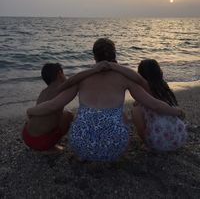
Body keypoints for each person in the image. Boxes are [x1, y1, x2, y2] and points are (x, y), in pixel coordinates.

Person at [26, 38, 185, 161]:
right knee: (122, 116)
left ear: (94, 57)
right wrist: (176, 111)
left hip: (80, 145)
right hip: (115, 149)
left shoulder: (82, 78)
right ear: (115, 55)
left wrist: (31, 111)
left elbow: (53, 105)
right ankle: (106, 150)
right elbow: (154, 104)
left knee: (86, 119)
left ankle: (85, 155)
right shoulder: (124, 78)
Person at [22, 62, 109, 151]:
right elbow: (75, 79)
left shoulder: (43, 92)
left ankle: (47, 140)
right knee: (69, 116)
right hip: (41, 142)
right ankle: (51, 146)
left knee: (63, 113)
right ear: (60, 74)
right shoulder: (61, 89)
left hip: (26, 135)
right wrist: (95, 70)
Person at [112, 59, 187, 151]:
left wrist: (114, 66)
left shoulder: (145, 87)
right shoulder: (163, 88)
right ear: (159, 72)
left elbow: (136, 78)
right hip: (179, 136)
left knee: (135, 110)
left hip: (160, 142)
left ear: (140, 75)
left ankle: (148, 144)